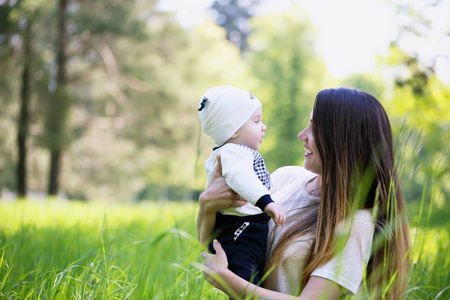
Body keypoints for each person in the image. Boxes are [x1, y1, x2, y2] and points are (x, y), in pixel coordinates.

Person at [198, 87, 411, 299]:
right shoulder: (283, 178)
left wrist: (228, 281)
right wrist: (206, 206)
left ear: (342, 141)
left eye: (314, 129)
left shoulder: (356, 223)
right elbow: (218, 240)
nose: (302, 135)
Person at [197, 85, 286, 285]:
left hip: (239, 228)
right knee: (245, 279)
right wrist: (267, 203)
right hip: (241, 229)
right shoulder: (233, 153)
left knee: (249, 278)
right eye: (256, 121)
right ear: (233, 130)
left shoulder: (230, 153)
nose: (263, 126)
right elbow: (241, 178)